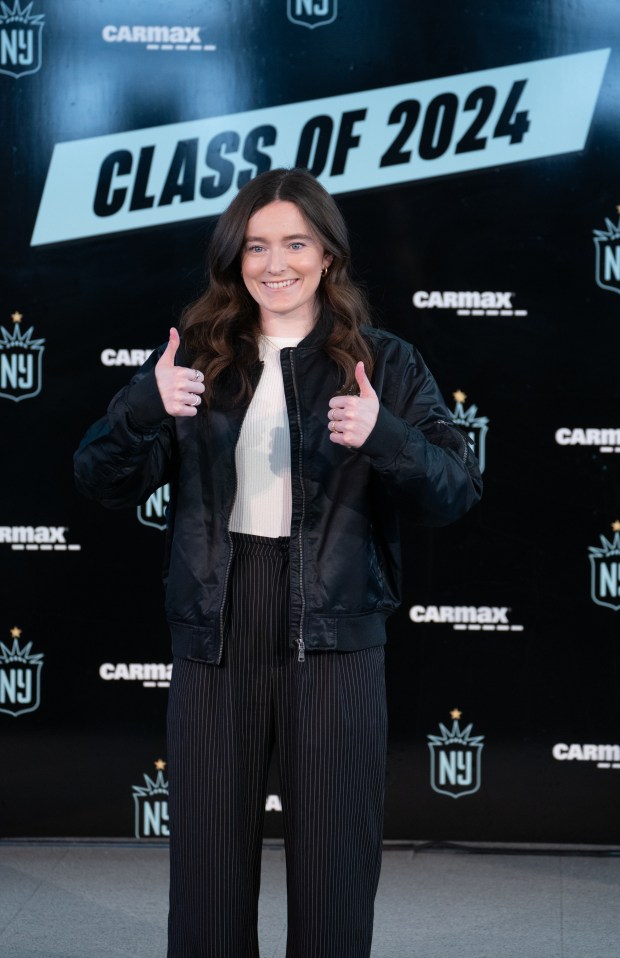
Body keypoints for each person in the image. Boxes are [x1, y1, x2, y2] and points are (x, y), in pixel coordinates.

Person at [74, 167, 482, 958]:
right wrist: (140, 409)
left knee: (334, 883)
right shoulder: (198, 358)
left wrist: (385, 436)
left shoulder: (386, 364)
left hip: (335, 638)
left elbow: (457, 491)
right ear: (235, 259)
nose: (276, 263)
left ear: (329, 253)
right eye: (256, 246)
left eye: (296, 242)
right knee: (206, 889)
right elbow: (100, 478)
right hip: (216, 633)